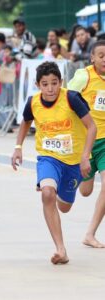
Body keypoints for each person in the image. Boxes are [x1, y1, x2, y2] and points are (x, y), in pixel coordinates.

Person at [12, 61, 96, 264]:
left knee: (65, 206)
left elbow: (91, 127)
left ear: (61, 82)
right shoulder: (33, 102)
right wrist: (18, 147)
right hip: (49, 157)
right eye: (45, 84)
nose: (50, 88)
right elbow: (25, 122)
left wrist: (85, 156)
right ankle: (61, 249)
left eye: (54, 83)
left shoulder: (72, 99)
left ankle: (62, 194)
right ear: (38, 84)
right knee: (47, 194)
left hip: (74, 161)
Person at [68, 40, 105, 248]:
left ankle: (90, 234)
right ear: (92, 58)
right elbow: (68, 100)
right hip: (87, 142)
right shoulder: (84, 76)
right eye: (101, 55)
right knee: (85, 191)